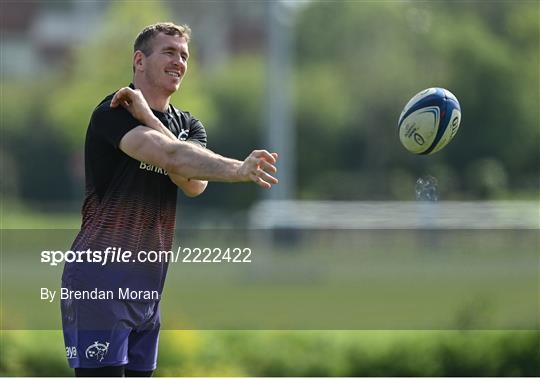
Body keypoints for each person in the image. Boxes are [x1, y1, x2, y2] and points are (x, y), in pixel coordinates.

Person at [61, 22, 278, 377]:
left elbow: (192, 182)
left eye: (184, 55)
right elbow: (169, 156)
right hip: (99, 278)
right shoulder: (113, 111)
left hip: (148, 286)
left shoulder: (188, 126)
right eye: (169, 52)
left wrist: (148, 115)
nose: (179, 61)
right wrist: (240, 169)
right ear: (139, 60)